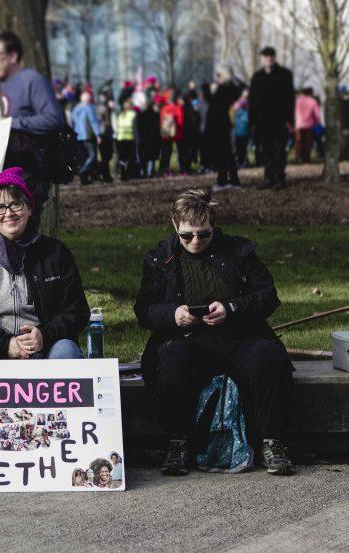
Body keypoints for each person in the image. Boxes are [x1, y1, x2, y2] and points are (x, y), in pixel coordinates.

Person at [134, 189, 295, 477]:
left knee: (269, 358)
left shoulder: (238, 251)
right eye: (187, 235)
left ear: (214, 226)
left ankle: (273, 442)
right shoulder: (160, 259)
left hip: (238, 337)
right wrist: (174, 315)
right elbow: (144, 309)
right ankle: (177, 443)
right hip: (186, 340)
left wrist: (232, 308)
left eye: (203, 234)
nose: (195, 241)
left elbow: (267, 295)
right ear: (175, 226)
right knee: (171, 362)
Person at [0, 167, 89, 361]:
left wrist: (44, 334)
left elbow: (77, 310)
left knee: (66, 351)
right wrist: (5, 343)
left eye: (16, 204)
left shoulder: (55, 252)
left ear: (29, 208)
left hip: (45, 346)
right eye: (0, 207)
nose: (9, 213)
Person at [0, 31, 66, 215]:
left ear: (12, 56)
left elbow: (54, 119)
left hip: (27, 175)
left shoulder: (32, 80)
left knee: (20, 239)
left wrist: (11, 123)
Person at [249, 47, 295, 190]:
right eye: (266, 56)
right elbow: (252, 101)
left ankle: (280, 178)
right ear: (262, 58)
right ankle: (269, 178)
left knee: (279, 150)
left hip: (279, 121)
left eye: (271, 55)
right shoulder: (257, 77)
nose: (268, 58)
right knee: (266, 151)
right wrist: (252, 122)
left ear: (274, 57)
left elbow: (290, 99)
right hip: (262, 121)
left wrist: (290, 120)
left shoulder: (284, 75)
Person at [207, 68, 243, 190]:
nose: (217, 78)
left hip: (222, 124)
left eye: (219, 75)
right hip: (218, 124)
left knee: (225, 153)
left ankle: (227, 180)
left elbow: (219, 103)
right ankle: (227, 179)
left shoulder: (228, 88)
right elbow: (212, 103)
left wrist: (232, 79)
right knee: (223, 153)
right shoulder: (222, 88)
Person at [71, 92, 102, 185]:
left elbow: (72, 122)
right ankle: (82, 171)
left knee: (83, 157)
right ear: (88, 99)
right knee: (92, 156)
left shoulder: (75, 109)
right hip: (88, 135)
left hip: (78, 135)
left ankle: (84, 180)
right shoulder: (89, 108)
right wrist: (98, 134)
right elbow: (93, 121)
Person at [294, 88, 322, 164]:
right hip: (309, 125)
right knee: (308, 143)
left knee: (299, 142)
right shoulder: (313, 101)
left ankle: (298, 157)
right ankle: (306, 159)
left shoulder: (297, 101)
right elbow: (317, 114)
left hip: (299, 125)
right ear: (310, 93)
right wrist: (319, 123)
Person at [159, 91, 185, 176]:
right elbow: (181, 121)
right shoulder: (178, 107)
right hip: (178, 132)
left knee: (166, 152)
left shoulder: (164, 108)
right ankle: (182, 169)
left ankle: (164, 169)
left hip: (167, 133)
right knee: (180, 152)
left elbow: (161, 122)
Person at [138, 94, 162, 178]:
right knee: (151, 157)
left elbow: (139, 127)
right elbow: (157, 127)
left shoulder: (141, 114)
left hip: (144, 139)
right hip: (153, 138)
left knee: (144, 157)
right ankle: (150, 172)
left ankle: (144, 172)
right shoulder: (155, 114)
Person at [116, 94, 139, 181]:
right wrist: (137, 139)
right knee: (131, 157)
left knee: (122, 157)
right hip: (130, 138)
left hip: (120, 138)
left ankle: (123, 174)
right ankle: (130, 174)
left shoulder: (120, 115)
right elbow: (135, 128)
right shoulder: (133, 114)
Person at [233, 92, 251, 168]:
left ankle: (239, 161)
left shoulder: (236, 112)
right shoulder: (246, 113)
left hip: (237, 133)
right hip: (244, 132)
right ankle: (243, 161)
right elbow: (248, 122)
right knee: (243, 148)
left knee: (238, 148)